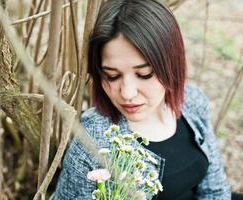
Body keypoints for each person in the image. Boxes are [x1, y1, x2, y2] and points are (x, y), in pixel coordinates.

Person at [54, 0, 232, 199]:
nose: (128, 93)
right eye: (112, 76)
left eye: (145, 74)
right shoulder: (93, 143)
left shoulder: (192, 101)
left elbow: (215, 190)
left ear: (171, 64)